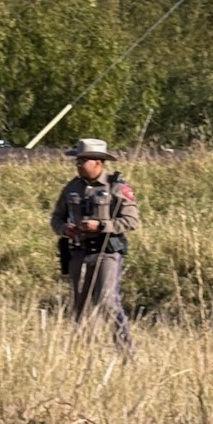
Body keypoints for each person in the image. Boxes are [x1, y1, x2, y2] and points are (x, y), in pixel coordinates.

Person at [50, 138, 140, 352]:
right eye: (77, 161)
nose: (78, 165)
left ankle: (126, 350)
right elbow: (56, 217)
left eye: (83, 160)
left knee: (107, 300)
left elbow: (131, 221)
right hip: (78, 252)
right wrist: (65, 229)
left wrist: (100, 226)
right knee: (80, 305)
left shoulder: (117, 187)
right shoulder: (71, 187)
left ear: (98, 162)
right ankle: (82, 350)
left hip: (106, 252)